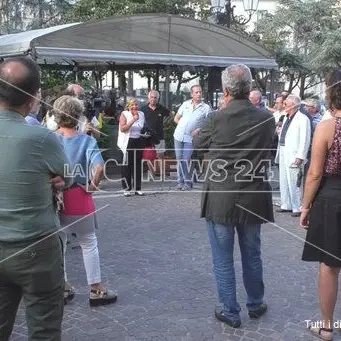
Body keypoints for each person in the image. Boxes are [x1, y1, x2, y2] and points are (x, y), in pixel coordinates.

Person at [193, 64, 275, 328]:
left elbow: (197, 143)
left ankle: (230, 310)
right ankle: (255, 303)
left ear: (225, 90)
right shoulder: (267, 118)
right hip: (252, 195)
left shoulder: (217, 118)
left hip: (221, 198)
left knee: (222, 256)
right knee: (252, 253)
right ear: (250, 88)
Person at [0, 57, 71, 340]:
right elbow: (69, 175)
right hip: (36, 247)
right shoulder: (41, 138)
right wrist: (60, 179)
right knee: (44, 329)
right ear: (31, 99)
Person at [53, 95, 117, 306]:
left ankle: (62, 287)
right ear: (78, 116)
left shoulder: (48, 138)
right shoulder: (87, 140)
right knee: (88, 243)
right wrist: (92, 186)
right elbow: (99, 167)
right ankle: (96, 289)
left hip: (54, 199)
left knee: (59, 245)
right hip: (79, 196)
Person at [300, 70, 341, 341]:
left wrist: (305, 206)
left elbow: (314, 174)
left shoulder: (327, 127)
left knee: (330, 265)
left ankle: (327, 327)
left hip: (333, 198)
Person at [275, 94, 311, 217]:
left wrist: (301, 155)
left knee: (295, 181)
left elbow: (305, 139)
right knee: (284, 179)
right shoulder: (285, 117)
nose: (283, 106)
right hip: (284, 150)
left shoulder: (303, 118)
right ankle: (286, 204)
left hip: (295, 153)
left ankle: (297, 207)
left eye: (286, 104)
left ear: (294, 105)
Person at [173, 85, 211, 190]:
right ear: (192, 94)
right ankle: (180, 182)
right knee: (179, 159)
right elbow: (176, 118)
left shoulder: (206, 108)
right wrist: (182, 125)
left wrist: (199, 129)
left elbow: (209, 124)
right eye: (196, 92)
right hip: (178, 135)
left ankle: (188, 183)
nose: (199, 94)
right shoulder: (185, 104)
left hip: (190, 138)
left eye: (200, 92)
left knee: (186, 160)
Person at [117, 97, 145, 196]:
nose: (134, 106)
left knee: (137, 165)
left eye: (136, 104)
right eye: (132, 105)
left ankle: (137, 188)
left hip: (138, 141)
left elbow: (141, 127)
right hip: (127, 142)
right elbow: (123, 129)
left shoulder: (141, 114)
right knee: (126, 166)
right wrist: (133, 120)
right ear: (128, 106)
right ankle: (126, 189)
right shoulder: (124, 114)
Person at [141, 90, 171, 176]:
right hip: (147, 137)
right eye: (152, 97)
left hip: (159, 136)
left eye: (155, 98)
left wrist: (166, 123)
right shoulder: (143, 109)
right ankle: (152, 173)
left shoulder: (161, 108)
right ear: (148, 98)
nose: (153, 99)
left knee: (160, 156)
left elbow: (171, 115)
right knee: (148, 157)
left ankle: (162, 174)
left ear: (158, 99)